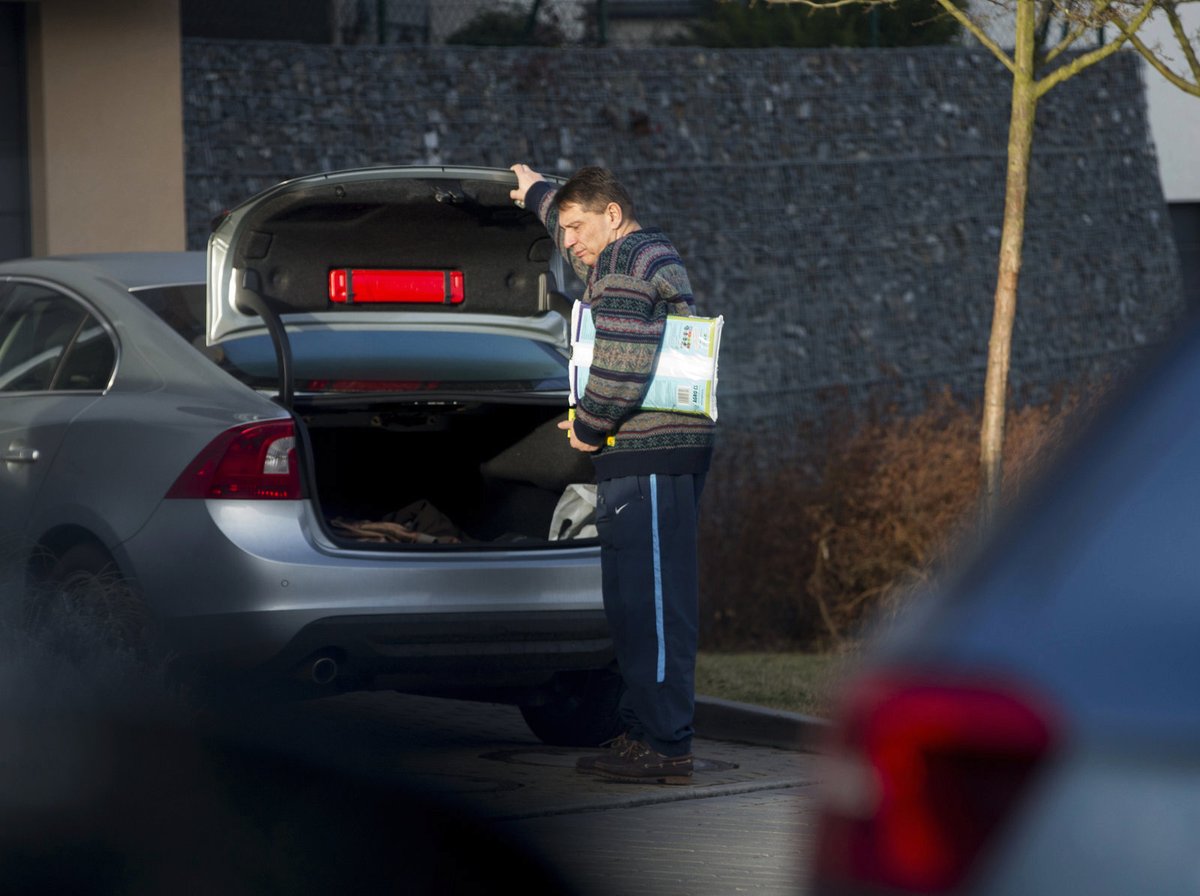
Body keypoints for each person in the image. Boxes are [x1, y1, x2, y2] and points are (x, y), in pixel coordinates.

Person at [510, 163, 715, 784]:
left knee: (650, 603)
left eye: (576, 227)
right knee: (636, 600)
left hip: (648, 454)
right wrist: (543, 197)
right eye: (562, 229)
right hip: (653, 453)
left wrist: (588, 427)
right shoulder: (628, 255)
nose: (568, 242)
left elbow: (621, 361)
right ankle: (642, 729)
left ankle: (664, 744)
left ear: (613, 217)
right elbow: (583, 250)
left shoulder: (625, 263)